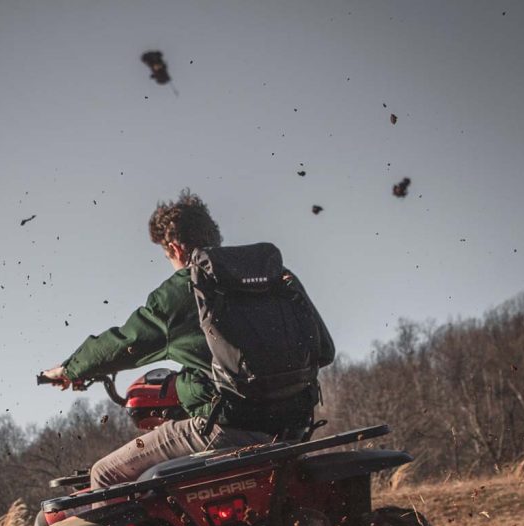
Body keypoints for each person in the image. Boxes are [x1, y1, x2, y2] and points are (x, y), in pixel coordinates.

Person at [40, 190, 335, 489]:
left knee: (104, 475)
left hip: (227, 428)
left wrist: (70, 369)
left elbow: (123, 343)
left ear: (175, 248)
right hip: (294, 424)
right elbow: (325, 350)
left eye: (166, 255)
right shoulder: (274, 275)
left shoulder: (185, 288)